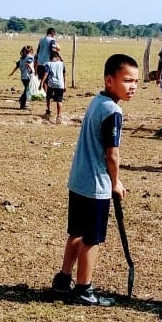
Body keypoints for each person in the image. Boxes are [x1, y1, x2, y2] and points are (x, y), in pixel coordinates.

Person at [53, 53, 140, 306]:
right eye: (127, 80)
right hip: (95, 185)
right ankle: (83, 288)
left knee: (76, 232)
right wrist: (115, 182)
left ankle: (63, 279)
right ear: (109, 80)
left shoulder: (97, 101)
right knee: (92, 239)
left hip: (79, 180)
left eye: (136, 81)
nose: (133, 86)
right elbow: (112, 155)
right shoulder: (113, 111)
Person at [35, 27, 58, 109]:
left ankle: (46, 94)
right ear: (53, 33)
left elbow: (38, 51)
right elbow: (53, 50)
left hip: (40, 62)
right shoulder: (52, 40)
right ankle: (50, 95)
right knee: (50, 80)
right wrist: (57, 56)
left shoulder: (41, 40)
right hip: (48, 62)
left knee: (43, 80)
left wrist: (36, 62)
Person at [44, 45, 67, 123]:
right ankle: (59, 116)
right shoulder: (62, 64)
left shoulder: (48, 64)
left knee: (48, 97)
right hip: (60, 84)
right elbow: (64, 74)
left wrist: (41, 82)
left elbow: (46, 74)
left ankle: (48, 111)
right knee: (59, 101)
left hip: (51, 84)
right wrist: (64, 84)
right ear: (57, 57)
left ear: (50, 58)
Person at [9, 45, 35, 110]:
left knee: (26, 89)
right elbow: (28, 64)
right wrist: (32, 71)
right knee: (27, 90)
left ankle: (23, 103)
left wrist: (12, 72)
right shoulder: (30, 57)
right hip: (28, 76)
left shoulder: (22, 58)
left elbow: (17, 66)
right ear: (31, 51)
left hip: (23, 76)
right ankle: (22, 101)